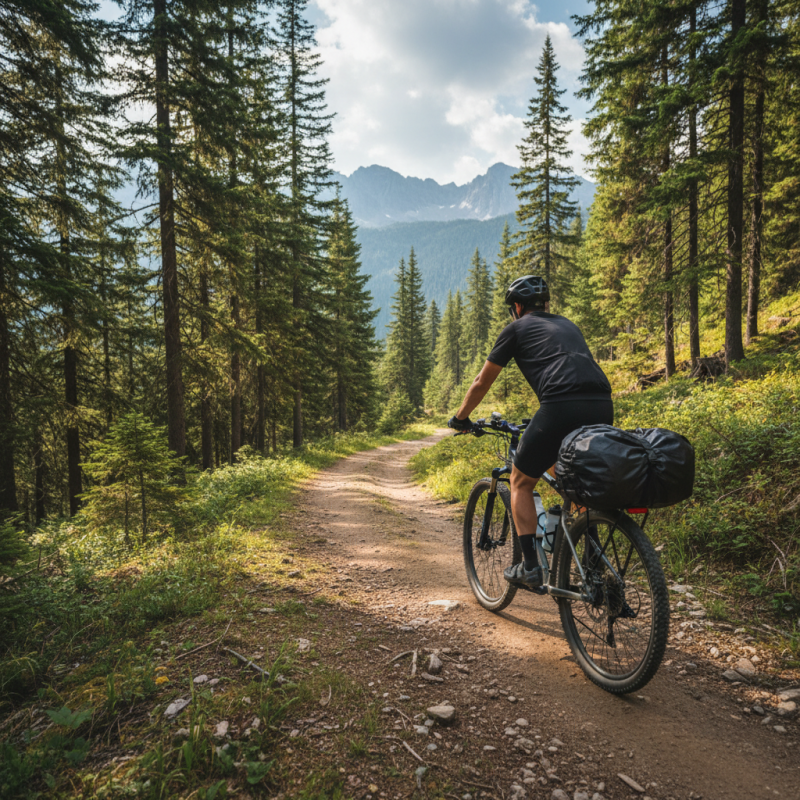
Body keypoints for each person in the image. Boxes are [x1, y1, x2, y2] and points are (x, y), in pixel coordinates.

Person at [447, 275, 613, 589]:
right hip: (602, 404)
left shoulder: (516, 328)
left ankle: (530, 568)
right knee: (572, 477)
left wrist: (461, 418)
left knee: (521, 481)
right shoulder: (568, 325)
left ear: (518, 307)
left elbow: (482, 381)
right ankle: (592, 559)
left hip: (560, 406)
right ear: (546, 304)